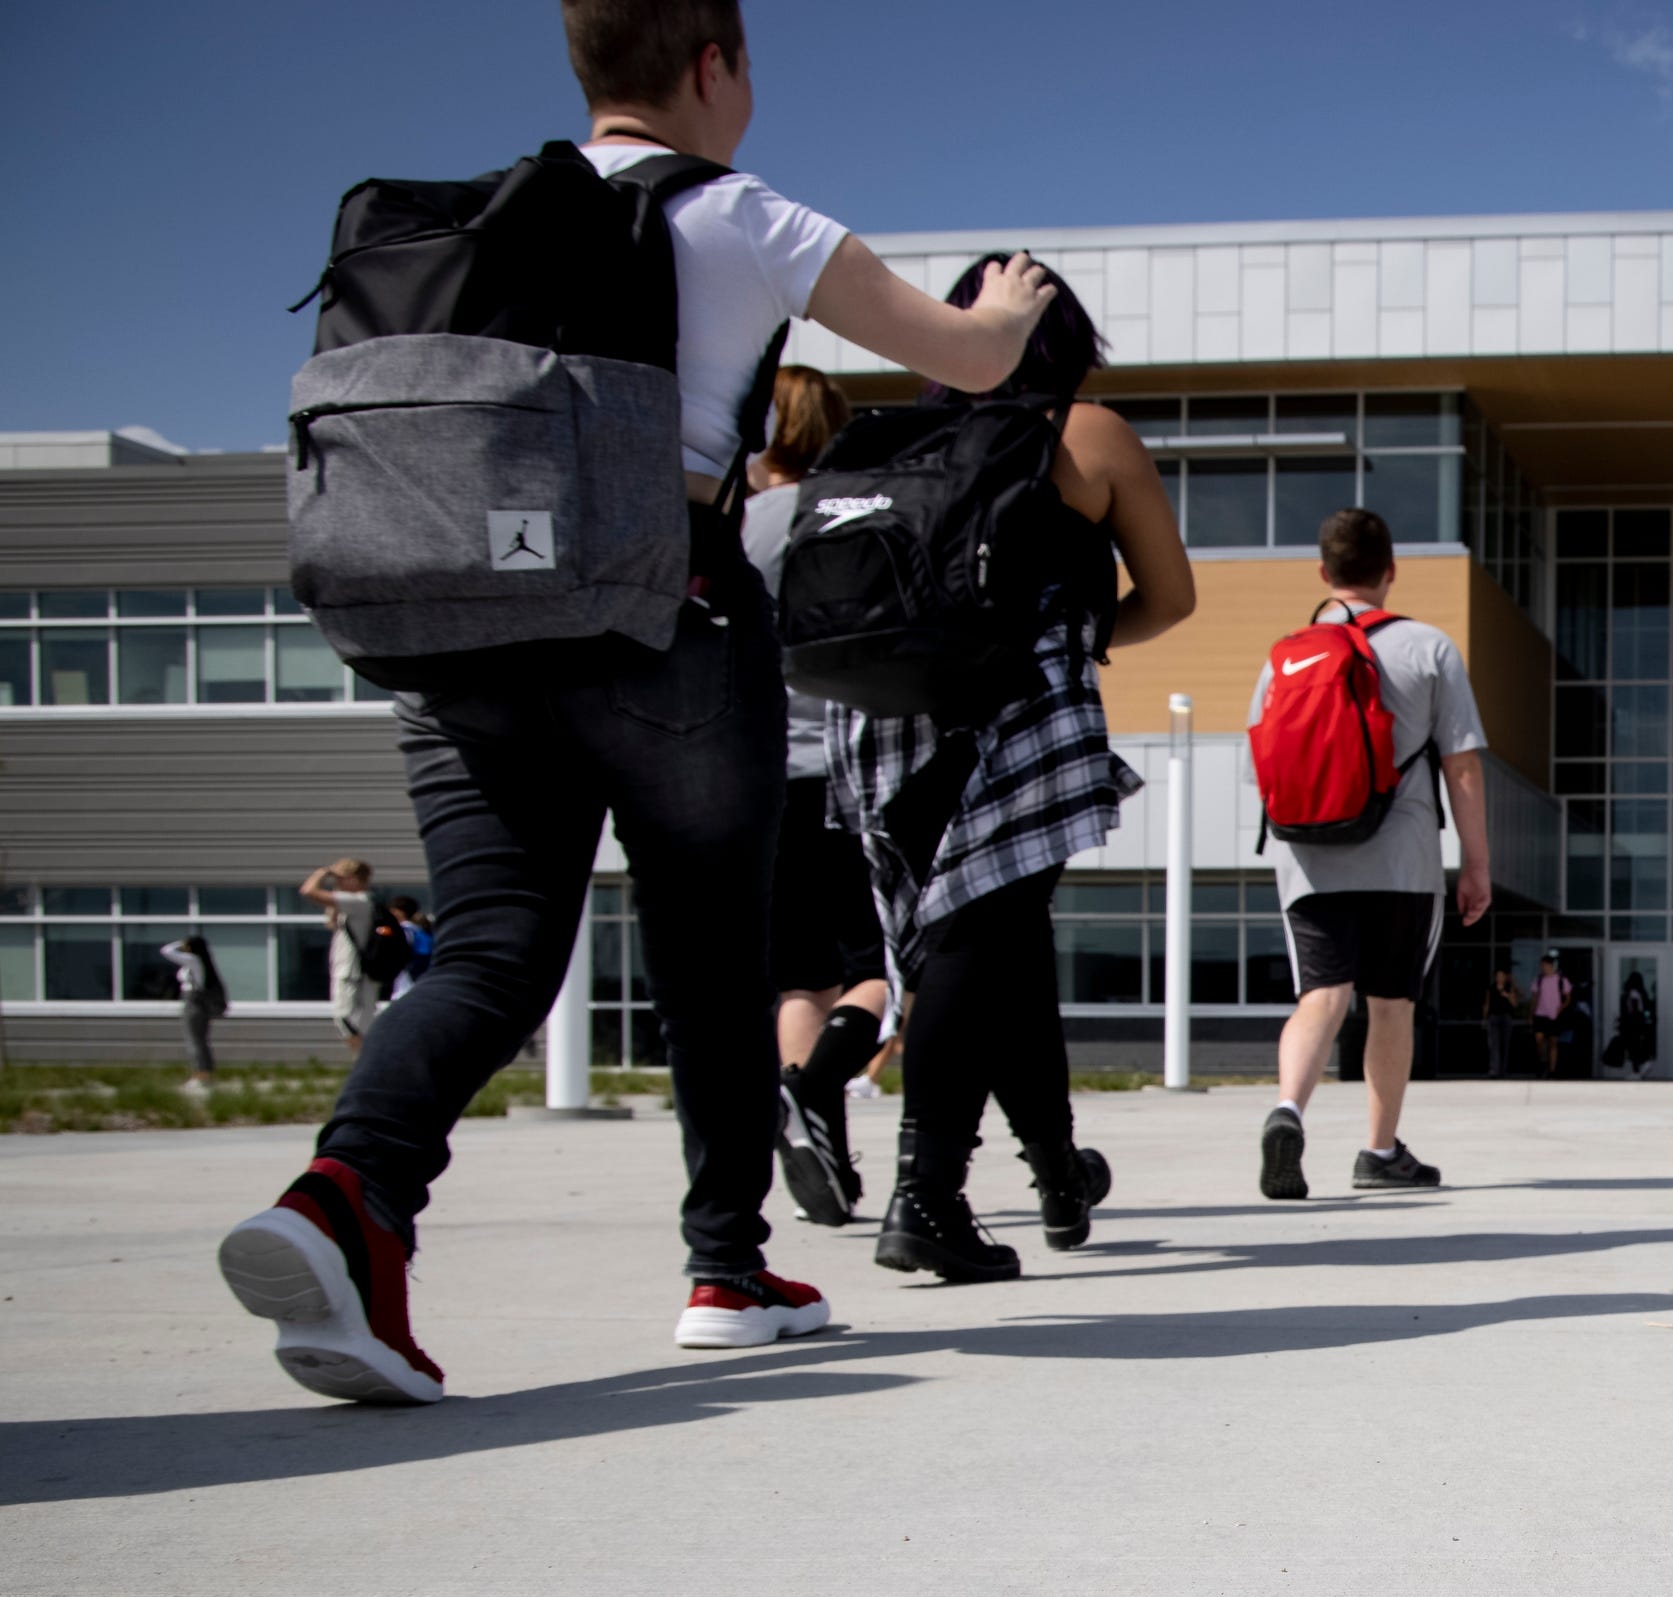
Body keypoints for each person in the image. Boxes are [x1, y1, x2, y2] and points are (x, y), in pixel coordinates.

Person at [217, 0, 1071, 1404]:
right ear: (714, 63)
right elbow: (965, 358)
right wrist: (1015, 304)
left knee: (490, 950)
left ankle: (343, 1197)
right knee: (706, 960)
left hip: (462, 639)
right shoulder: (738, 214)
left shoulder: (487, 222)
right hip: (662, 619)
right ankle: (725, 1269)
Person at [834, 261, 1195, 1281]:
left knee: (1001, 954)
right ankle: (926, 1196)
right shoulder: (1082, 433)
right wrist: (1074, 642)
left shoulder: (898, 438)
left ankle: (1054, 1170)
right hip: (1016, 727)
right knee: (971, 951)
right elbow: (1169, 598)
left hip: (888, 726)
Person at [1252, 507, 1492, 1200]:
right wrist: (1476, 865)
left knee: (1320, 995)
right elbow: (1463, 768)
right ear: (1390, 570)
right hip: (1402, 857)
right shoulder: (1429, 647)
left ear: (1324, 574)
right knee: (1391, 1004)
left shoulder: (1288, 655)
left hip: (1308, 854)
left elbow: (1260, 767)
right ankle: (1379, 1152)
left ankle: (1288, 1110)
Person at [741, 362, 891, 1227]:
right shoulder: (857, 519)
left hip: (764, 775)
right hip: (851, 765)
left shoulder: (737, 532)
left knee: (798, 976)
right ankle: (808, 1090)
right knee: (879, 972)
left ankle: (818, 1154)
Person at [300, 858, 380, 1055]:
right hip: (352, 972)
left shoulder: (359, 901)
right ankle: (367, 1065)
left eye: (344, 878)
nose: (338, 882)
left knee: (345, 1020)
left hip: (353, 974)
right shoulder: (353, 903)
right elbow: (331, 921)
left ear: (355, 879)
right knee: (357, 1024)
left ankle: (366, 1064)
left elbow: (308, 891)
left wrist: (322, 873)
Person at [161, 933, 228, 1092]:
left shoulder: (193, 960)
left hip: (193, 1002)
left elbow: (166, 951)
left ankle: (201, 1074)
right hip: (197, 1002)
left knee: (194, 1039)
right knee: (200, 1039)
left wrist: (181, 943)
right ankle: (205, 1072)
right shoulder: (201, 962)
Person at [1528, 952, 1571, 1077]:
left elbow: (1568, 998)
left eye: (1545, 965)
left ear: (1551, 965)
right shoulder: (1539, 980)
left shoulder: (1561, 980)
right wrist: (1531, 1014)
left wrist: (1560, 1008)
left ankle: (1552, 1070)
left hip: (1554, 1016)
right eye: (1542, 965)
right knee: (1539, 1040)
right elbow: (1534, 998)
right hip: (1540, 1014)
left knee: (1553, 1042)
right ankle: (1542, 1061)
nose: (1543, 967)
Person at [383, 896, 435, 999]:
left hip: (404, 976)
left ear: (400, 913)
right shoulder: (418, 929)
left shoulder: (402, 930)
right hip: (418, 975)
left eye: (393, 911)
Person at [1614, 968, 1656, 1078]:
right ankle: (1639, 1068)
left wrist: (1626, 1020)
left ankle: (1638, 1069)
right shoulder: (1642, 993)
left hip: (1633, 1024)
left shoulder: (1633, 993)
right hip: (1638, 1024)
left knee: (1634, 1048)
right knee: (1636, 1047)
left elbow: (1635, 1008)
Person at [1482, 963, 1520, 1078]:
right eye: (1498, 975)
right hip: (1493, 1018)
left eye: (1502, 975)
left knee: (1505, 1045)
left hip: (1506, 1018)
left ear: (1505, 977)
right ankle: (1494, 1070)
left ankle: (1504, 1071)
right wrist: (1484, 1019)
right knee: (1494, 1045)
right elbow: (1487, 1004)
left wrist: (1507, 995)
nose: (1500, 978)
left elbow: (1515, 1004)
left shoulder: (1509, 988)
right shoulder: (1491, 988)